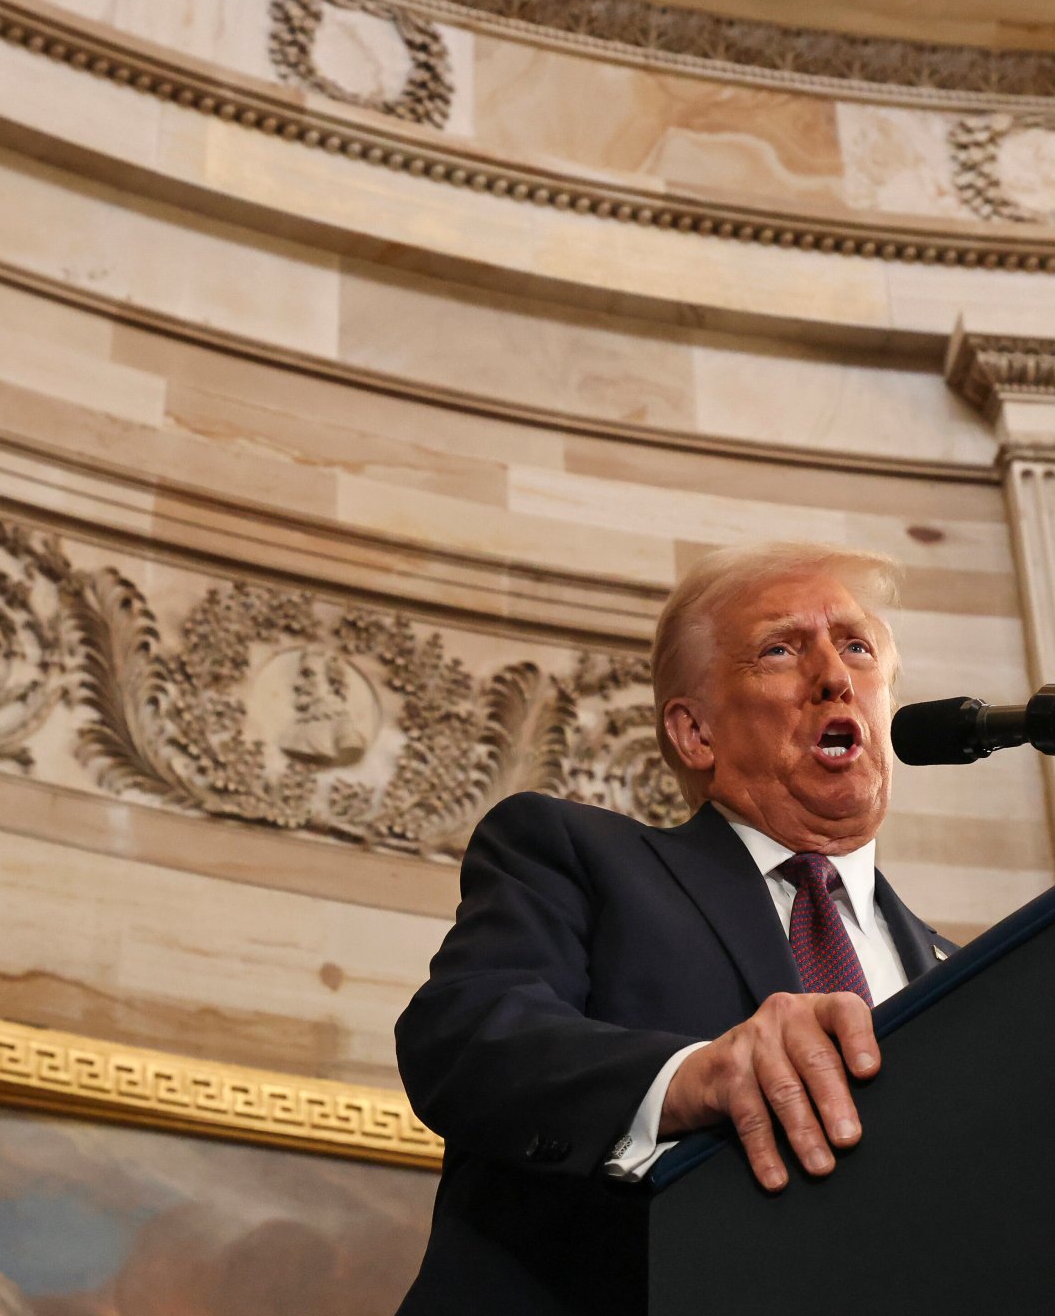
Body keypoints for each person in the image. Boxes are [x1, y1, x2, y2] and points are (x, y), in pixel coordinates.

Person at [395, 542, 954, 1315]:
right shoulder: (577, 858)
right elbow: (463, 1037)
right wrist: (695, 1077)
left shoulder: (963, 974)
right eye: (781, 649)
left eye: (857, 647)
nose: (835, 675)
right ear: (696, 734)